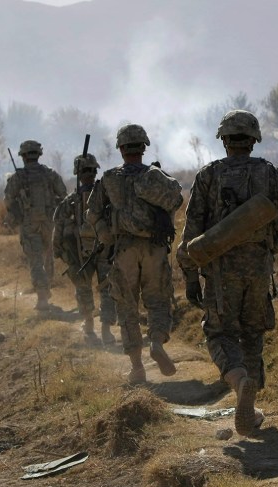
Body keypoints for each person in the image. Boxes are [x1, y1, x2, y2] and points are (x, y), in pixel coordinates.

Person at [176, 110, 278, 437]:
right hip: (259, 269)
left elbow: (191, 237)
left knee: (219, 333)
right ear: (254, 139)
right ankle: (252, 407)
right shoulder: (271, 175)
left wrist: (190, 275)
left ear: (224, 140)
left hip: (220, 271)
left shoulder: (207, 177)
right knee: (253, 331)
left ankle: (238, 379)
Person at [86, 124, 183, 383]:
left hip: (124, 249)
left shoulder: (108, 179)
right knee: (158, 300)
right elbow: (176, 200)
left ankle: (137, 367)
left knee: (127, 306)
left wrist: (105, 234)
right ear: (144, 147)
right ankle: (157, 342)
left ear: (120, 149)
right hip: (154, 248)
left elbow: (92, 213)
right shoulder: (156, 176)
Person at [52, 153, 117, 345]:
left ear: (77, 174)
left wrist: (59, 251)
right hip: (105, 251)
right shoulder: (107, 197)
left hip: (80, 254)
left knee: (83, 288)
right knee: (107, 289)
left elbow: (59, 227)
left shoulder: (69, 201)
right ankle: (106, 330)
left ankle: (89, 326)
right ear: (95, 171)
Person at [4, 139, 68, 311]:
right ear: (38, 155)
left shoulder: (18, 177)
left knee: (35, 259)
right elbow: (64, 195)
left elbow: (8, 199)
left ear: (23, 157)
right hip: (49, 222)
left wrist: (15, 211)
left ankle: (42, 297)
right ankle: (45, 290)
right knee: (47, 256)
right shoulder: (50, 174)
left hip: (29, 223)